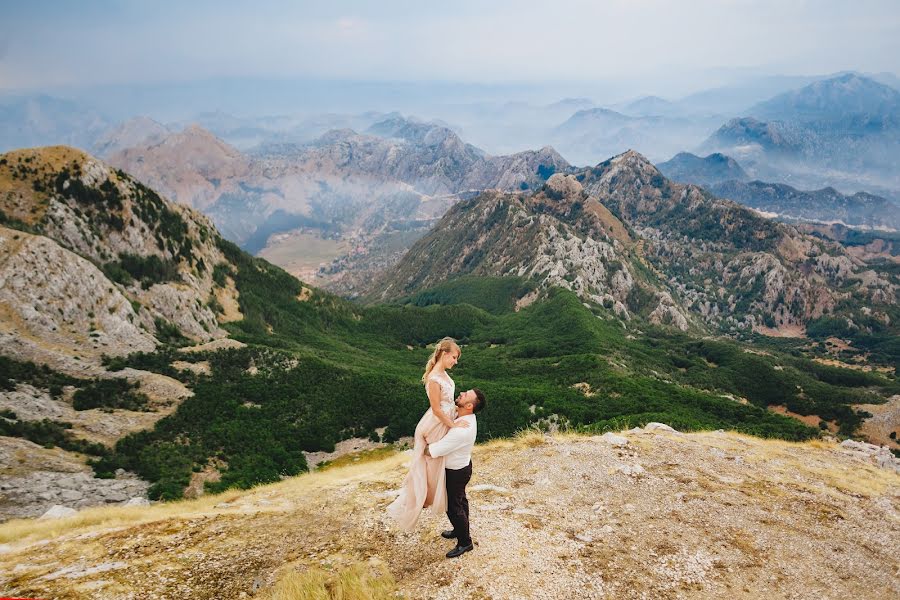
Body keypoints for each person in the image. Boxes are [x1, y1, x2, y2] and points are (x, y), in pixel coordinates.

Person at [387, 337, 470, 530]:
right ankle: (425, 497)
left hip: (445, 419)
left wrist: (457, 416)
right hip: (437, 423)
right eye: (454, 357)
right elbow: (436, 409)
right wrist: (453, 425)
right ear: (444, 354)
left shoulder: (442, 374)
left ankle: (447, 504)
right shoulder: (434, 378)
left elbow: (447, 404)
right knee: (433, 464)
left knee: (441, 462)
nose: (455, 362)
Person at [426, 387, 485, 558]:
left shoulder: (460, 431)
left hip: (456, 472)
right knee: (460, 501)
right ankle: (460, 530)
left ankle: (465, 542)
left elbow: (433, 451)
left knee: (453, 507)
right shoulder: (465, 417)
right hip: (463, 467)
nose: (461, 393)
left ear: (468, 406)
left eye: (465, 395)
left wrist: (421, 447)